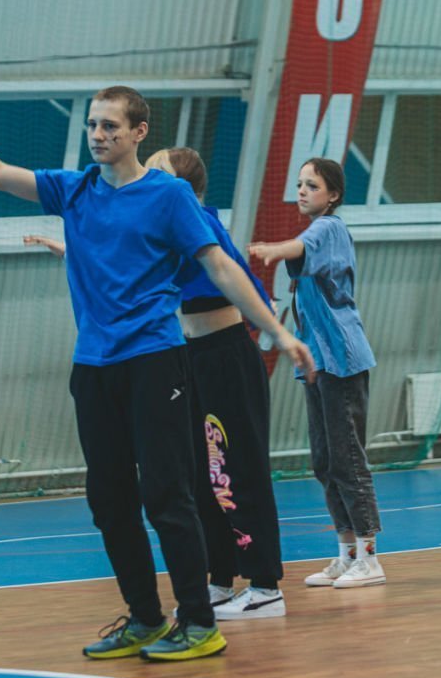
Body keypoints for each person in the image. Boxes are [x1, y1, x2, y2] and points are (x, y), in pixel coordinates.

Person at [0, 88, 313, 662]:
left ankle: (198, 620)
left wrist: (277, 332)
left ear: (138, 132)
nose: (98, 135)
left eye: (110, 125)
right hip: (93, 367)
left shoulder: (168, 195)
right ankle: (145, 617)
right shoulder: (74, 189)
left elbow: (220, 266)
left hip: (156, 361)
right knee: (109, 502)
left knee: (167, 495)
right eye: (92, 125)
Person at [29, 146, 287, 620]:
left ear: (180, 186)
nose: (145, 176)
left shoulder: (196, 220)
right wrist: (71, 250)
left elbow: (225, 272)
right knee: (198, 474)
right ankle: (220, 578)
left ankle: (266, 584)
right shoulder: (158, 219)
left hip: (227, 356)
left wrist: (276, 329)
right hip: (189, 356)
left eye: (157, 170)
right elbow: (138, 263)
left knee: (236, 468)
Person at [249, 157, 383, 589]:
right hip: (319, 364)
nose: (303, 191)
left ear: (333, 195)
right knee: (325, 462)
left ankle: (370, 558)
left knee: (348, 460)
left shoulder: (329, 229)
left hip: (343, 361)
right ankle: (346, 555)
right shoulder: (314, 234)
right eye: (300, 184)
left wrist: (273, 249)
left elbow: (300, 247)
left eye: (312, 185)